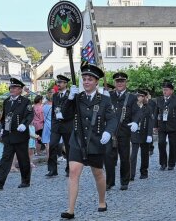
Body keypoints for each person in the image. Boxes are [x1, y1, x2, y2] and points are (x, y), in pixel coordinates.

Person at [60, 64, 117, 219]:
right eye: (84, 79)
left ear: (96, 82)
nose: (86, 82)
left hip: (95, 142)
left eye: (89, 79)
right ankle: (70, 210)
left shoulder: (104, 100)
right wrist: (69, 98)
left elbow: (112, 119)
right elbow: (63, 115)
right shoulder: (77, 98)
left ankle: (102, 201)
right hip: (77, 141)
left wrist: (108, 132)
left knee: (98, 173)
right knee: (73, 173)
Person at [0, 78, 33, 190]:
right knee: (5, 159)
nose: (12, 89)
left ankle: (25, 181)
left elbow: (29, 115)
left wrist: (24, 124)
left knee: (23, 159)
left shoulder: (25, 102)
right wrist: (1, 131)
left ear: (20, 90)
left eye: (14, 88)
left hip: (20, 136)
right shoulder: (7, 101)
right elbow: (4, 118)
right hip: (8, 135)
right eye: (11, 87)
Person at [105, 72, 141, 191]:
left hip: (124, 131)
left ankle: (124, 181)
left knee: (124, 157)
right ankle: (109, 182)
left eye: (122, 81)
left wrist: (136, 122)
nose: (119, 83)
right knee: (109, 158)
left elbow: (137, 112)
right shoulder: (109, 95)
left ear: (126, 83)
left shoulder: (131, 97)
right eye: (117, 81)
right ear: (115, 83)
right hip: (110, 132)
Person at [46, 75, 73, 177]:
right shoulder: (56, 95)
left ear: (66, 84)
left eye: (61, 82)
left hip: (67, 124)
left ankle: (69, 169)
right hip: (57, 125)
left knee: (69, 148)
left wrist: (71, 99)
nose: (58, 84)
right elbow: (54, 110)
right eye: (58, 82)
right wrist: (53, 122)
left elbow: (73, 110)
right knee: (52, 145)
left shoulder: (71, 94)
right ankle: (52, 170)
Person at [154, 81, 176, 171]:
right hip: (162, 126)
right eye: (163, 90)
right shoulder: (159, 99)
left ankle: (171, 163)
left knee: (173, 145)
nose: (164, 91)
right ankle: (163, 163)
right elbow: (156, 113)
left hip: (173, 125)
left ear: (171, 91)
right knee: (161, 143)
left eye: (166, 90)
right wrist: (155, 125)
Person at [130, 89, 154, 180]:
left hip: (144, 133)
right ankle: (131, 174)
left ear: (144, 97)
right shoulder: (133, 107)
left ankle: (144, 172)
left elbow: (151, 122)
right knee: (133, 155)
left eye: (142, 96)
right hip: (135, 133)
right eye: (138, 96)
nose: (139, 98)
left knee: (144, 154)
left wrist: (149, 134)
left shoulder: (148, 108)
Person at [42, 90, 53, 160]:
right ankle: (51, 158)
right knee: (53, 143)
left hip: (46, 125)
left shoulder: (44, 106)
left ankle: (48, 157)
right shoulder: (54, 106)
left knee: (47, 143)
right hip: (53, 125)